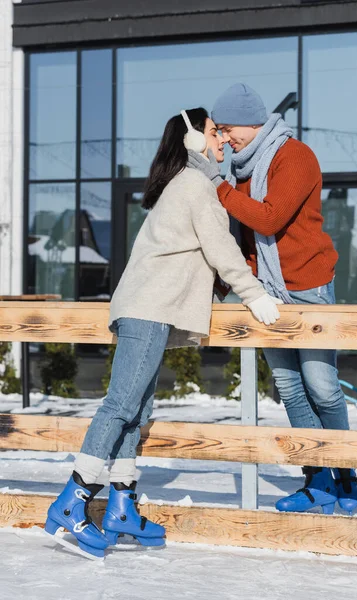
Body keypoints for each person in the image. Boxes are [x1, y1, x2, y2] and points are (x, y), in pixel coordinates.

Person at [44, 107, 283, 560]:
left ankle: (121, 507)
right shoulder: (195, 185)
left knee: (136, 410)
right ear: (194, 140)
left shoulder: (188, 184)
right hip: (148, 309)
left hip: (149, 310)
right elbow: (221, 248)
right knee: (120, 405)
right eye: (214, 133)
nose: (220, 142)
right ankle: (71, 501)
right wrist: (254, 294)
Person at [187, 84, 357, 516]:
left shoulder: (295, 157)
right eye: (220, 132)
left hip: (308, 285)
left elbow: (270, 217)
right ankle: (316, 480)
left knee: (321, 387)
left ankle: (345, 469)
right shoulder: (238, 169)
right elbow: (244, 237)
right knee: (290, 389)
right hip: (265, 291)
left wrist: (218, 187)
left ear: (251, 121)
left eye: (228, 130)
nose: (225, 139)